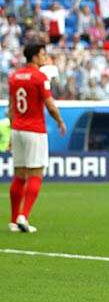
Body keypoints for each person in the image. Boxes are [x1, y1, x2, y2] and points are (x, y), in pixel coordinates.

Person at [7, 43, 66, 233]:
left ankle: (14, 219)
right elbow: (50, 105)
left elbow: (11, 107)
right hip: (34, 130)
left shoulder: (14, 77)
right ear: (34, 57)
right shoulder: (40, 77)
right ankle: (24, 216)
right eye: (42, 54)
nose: (45, 57)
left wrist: (11, 131)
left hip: (17, 129)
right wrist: (60, 121)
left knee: (19, 175)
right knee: (36, 173)